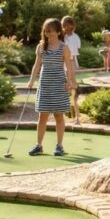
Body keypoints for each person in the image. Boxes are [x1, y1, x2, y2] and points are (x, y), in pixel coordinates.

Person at [27, 19, 77, 156]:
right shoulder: (41, 47)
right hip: (45, 85)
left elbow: (69, 66)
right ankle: (39, 145)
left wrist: (70, 81)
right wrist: (31, 80)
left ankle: (59, 146)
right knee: (42, 116)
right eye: (46, 31)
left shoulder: (64, 48)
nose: (48, 33)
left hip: (59, 84)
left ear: (58, 32)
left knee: (58, 116)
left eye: (51, 31)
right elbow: (37, 65)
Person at [62, 16, 81, 124]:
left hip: (71, 62)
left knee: (73, 88)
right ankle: (64, 116)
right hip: (61, 63)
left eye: (70, 24)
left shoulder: (75, 37)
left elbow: (74, 54)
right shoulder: (61, 37)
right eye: (66, 24)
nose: (68, 27)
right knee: (64, 88)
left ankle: (77, 117)